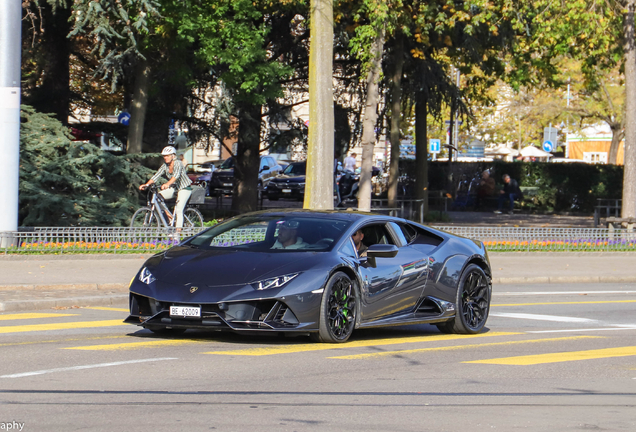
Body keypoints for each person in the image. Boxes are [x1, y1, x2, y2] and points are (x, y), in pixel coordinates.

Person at [139, 146, 193, 230]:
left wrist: (167, 184)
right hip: (175, 188)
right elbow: (156, 175)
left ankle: (177, 234)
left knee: (179, 210)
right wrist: (146, 184)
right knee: (157, 197)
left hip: (184, 188)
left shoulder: (178, 163)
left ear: (173, 156)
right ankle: (169, 217)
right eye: (164, 156)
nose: (165, 158)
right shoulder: (165, 166)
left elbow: (176, 176)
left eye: (167, 155)